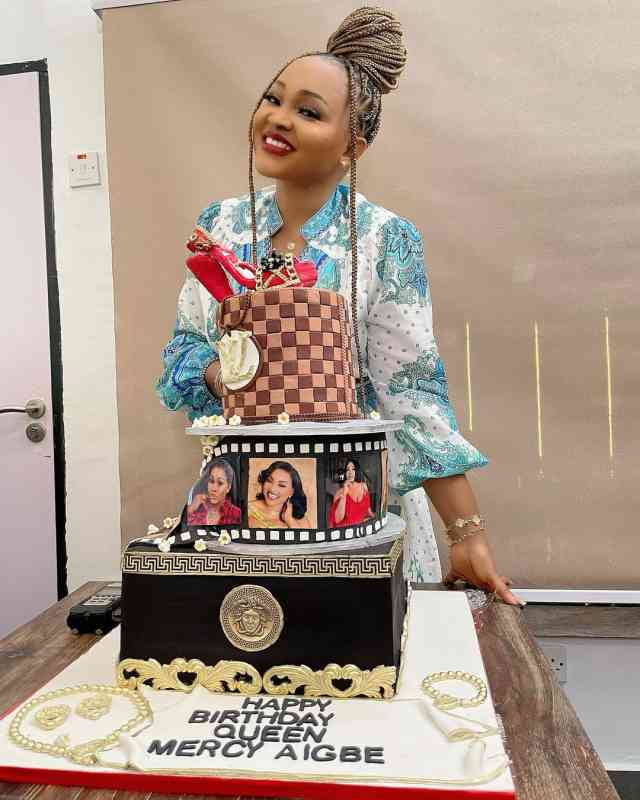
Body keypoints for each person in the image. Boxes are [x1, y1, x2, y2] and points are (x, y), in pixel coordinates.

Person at [157, 7, 523, 605]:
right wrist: (228, 373)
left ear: (353, 145)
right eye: (273, 99)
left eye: (308, 111)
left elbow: (412, 392)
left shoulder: (383, 239)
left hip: (357, 510)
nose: (278, 118)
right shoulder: (220, 226)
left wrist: (467, 535)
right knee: (246, 642)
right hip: (239, 502)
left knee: (356, 645)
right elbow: (184, 350)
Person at [248, 461, 313, 529]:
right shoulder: (249, 509)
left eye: (281, 485)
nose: (272, 489)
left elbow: (305, 535)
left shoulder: (300, 519)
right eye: (269, 481)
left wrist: (289, 520)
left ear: (292, 492)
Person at [187, 457, 241, 526]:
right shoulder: (196, 508)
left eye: (220, 483)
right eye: (211, 481)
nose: (214, 489)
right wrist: (191, 508)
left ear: (228, 488)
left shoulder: (235, 514)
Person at [329, 459, 375, 527]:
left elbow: (368, 509)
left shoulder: (364, 487)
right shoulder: (339, 493)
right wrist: (344, 494)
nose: (350, 472)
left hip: (358, 529)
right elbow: (337, 519)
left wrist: (375, 518)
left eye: (353, 469)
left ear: (357, 470)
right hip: (344, 530)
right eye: (347, 469)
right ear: (345, 473)